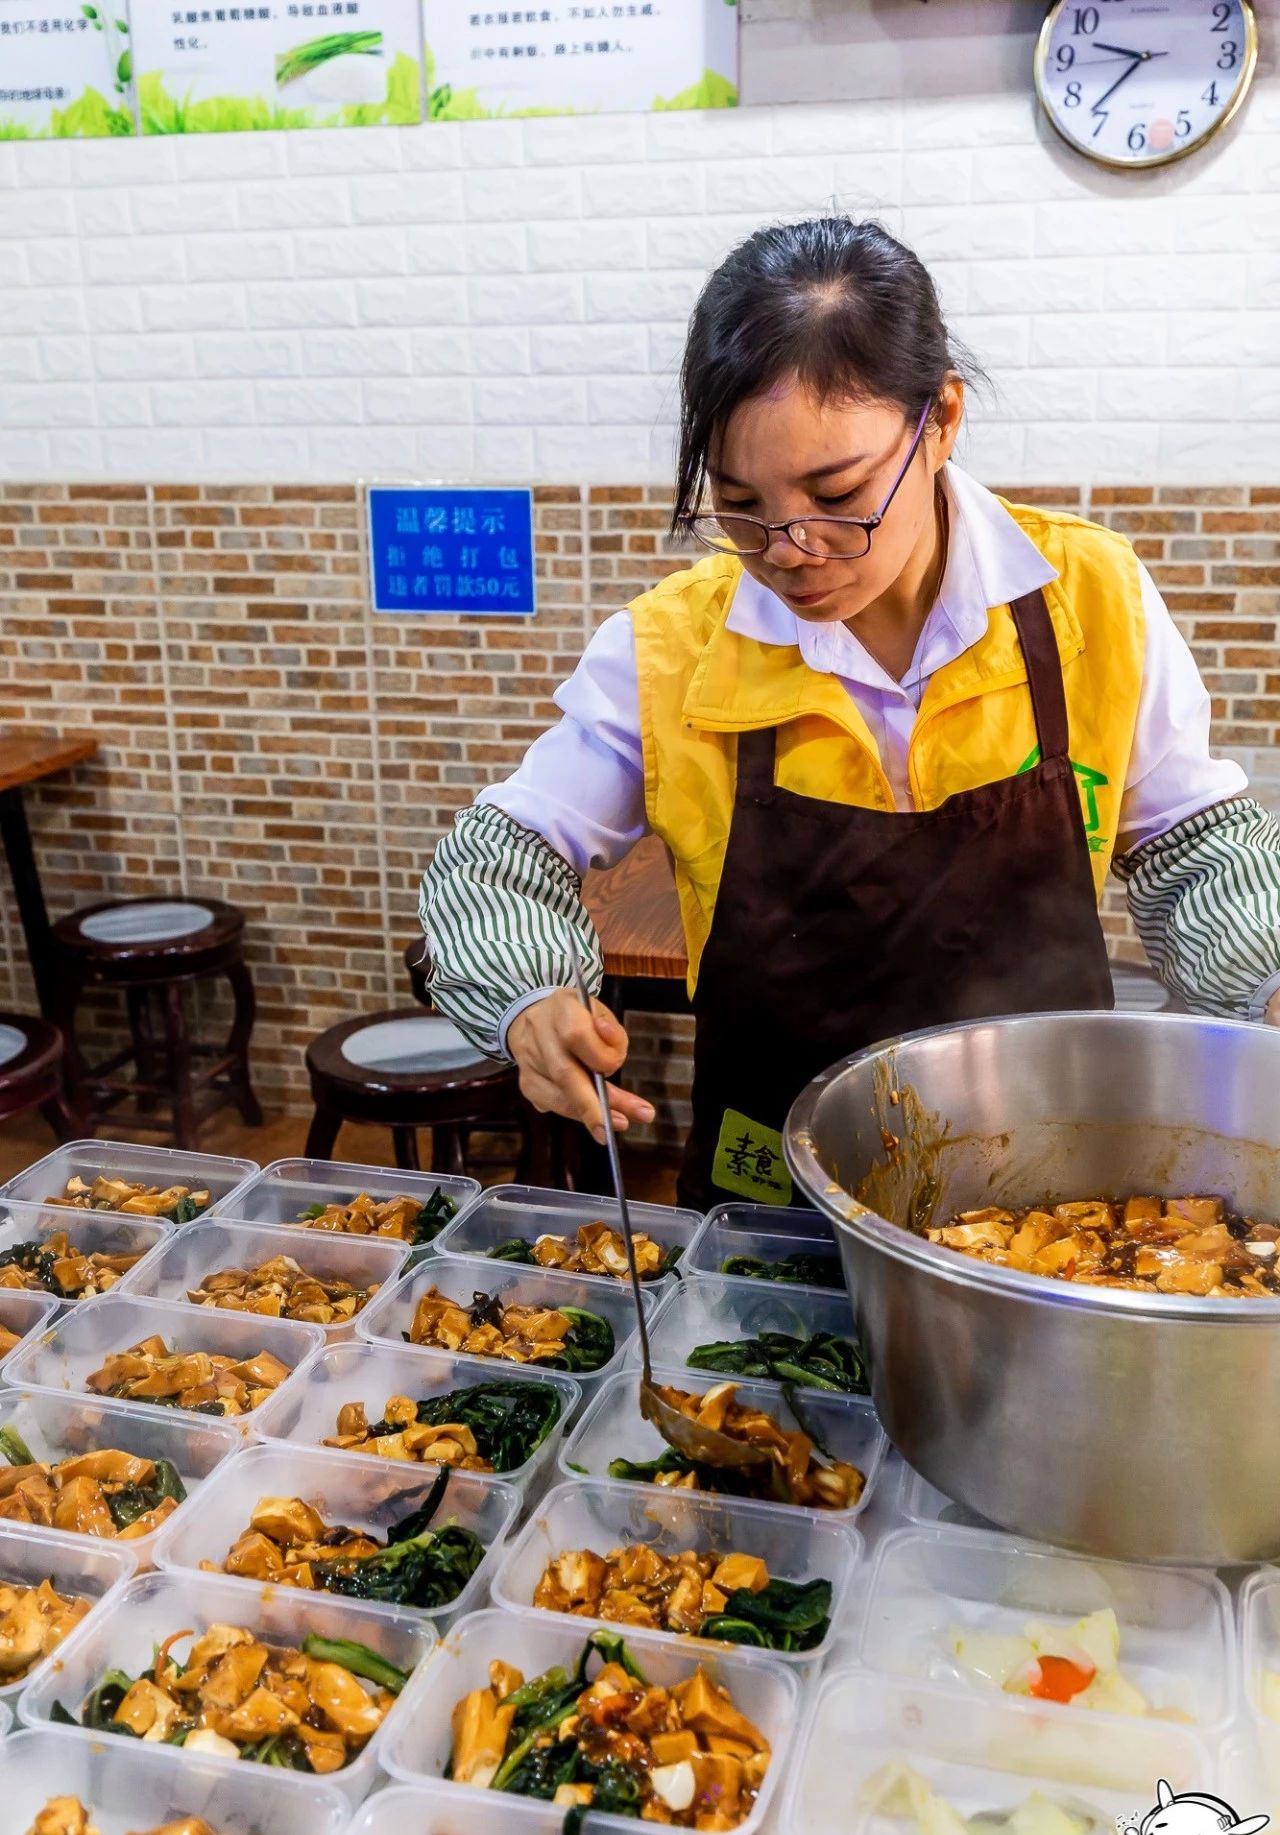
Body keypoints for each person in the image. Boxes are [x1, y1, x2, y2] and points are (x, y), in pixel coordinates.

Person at [421, 216, 1280, 1210]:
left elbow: (1196, 848)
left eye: (836, 493)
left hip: (1046, 1182)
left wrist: (1264, 978)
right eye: (741, 505)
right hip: (771, 1189)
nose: (789, 551)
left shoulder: (1089, 598)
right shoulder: (669, 648)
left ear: (941, 419)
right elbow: (497, 859)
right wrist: (531, 996)